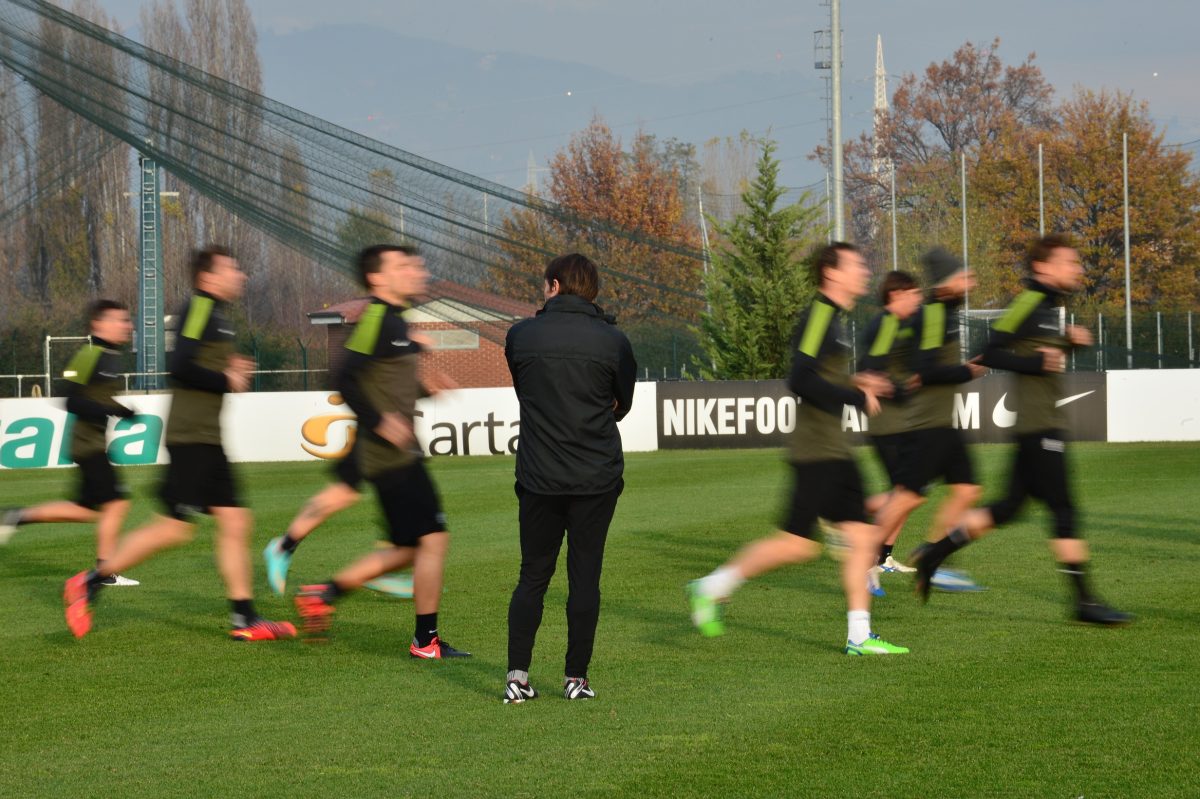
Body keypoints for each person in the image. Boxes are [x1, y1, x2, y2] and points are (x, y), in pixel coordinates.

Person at [62, 246, 296, 641]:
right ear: (208, 277)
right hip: (191, 439)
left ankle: (245, 619)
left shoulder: (217, 317)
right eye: (232, 268)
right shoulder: (200, 309)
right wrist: (226, 378)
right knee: (174, 528)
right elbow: (181, 366)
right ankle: (90, 582)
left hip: (207, 439)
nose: (241, 275)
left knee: (236, 521)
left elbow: (199, 363)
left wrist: (229, 368)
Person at [687, 242, 908, 656]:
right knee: (798, 543)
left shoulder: (835, 319)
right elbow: (800, 379)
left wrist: (857, 384)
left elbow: (821, 376)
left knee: (861, 538)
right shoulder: (820, 314)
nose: (864, 271)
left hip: (835, 449)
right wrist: (855, 398)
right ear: (831, 273)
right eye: (856, 265)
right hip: (817, 450)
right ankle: (711, 586)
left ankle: (859, 636)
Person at [911, 234, 1131, 625]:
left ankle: (934, 553)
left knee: (1009, 508)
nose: (1076, 268)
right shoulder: (1029, 301)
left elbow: (1040, 355)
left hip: (1041, 424)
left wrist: (1067, 343)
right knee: (1064, 509)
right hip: (1038, 427)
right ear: (1043, 267)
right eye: (1068, 261)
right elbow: (990, 350)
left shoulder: (1049, 306)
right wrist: (1039, 362)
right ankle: (1085, 602)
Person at [293, 244, 470, 658]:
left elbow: (385, 386)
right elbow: (343, 378)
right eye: (401, 265)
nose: (413, 271)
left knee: (409, 548)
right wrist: (379, 422)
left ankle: (324, 594)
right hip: (393, 457)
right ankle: (425, 641)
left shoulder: (396, 321)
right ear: (377, 278)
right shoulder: (376, 317)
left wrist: (427, 389)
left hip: (397, 453)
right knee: (433, 539)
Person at [502, 253, 636, 704]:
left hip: (539, 474)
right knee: (585, 578)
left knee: (532, 576)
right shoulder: (613, 340)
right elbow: (623, 404)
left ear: (554, 286)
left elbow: (527, 392)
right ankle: (575, 678)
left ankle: (517, 678)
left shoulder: (520, 335)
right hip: (595, 475)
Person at [0, 300, 139, 587]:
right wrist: (110, 410)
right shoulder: (90, 353)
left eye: (126, 320)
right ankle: (104, 573)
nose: (126, 325)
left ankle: (17, 515)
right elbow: (70, 398)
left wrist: (121, 410)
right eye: (118, 320)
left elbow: (96, 397)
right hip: (87, 445)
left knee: (87, 509)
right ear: (98, 325)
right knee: (117, 503)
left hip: (92, 444)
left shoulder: (109, 356)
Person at [873, 248, 987, 590]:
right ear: (945, 283)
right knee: (907, 497)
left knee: (967, 489)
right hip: (928, 423)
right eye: (963, 277)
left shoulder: (945, 312)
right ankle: (864, 559)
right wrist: (968, 370)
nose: (971, 282)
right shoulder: (935, 314)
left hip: (943, 423)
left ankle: (932, 556)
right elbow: (925, 370)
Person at [262, 441, 415, 599]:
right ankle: (283, 547)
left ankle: (383, 566)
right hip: (376, 430)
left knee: (398, 483)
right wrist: (375, 421)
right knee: (344, 492)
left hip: (388, 428)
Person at [857, 270, 923, 596]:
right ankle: (863, 550)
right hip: (887, 425)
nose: (918, 299)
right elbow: (869, 366)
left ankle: (882, 558)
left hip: (902, 423)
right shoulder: (884, 323)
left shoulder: (898, 324)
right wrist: (900, 388)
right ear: (895, 295)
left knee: (910, 492)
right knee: (907, 493)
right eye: (913, 293)